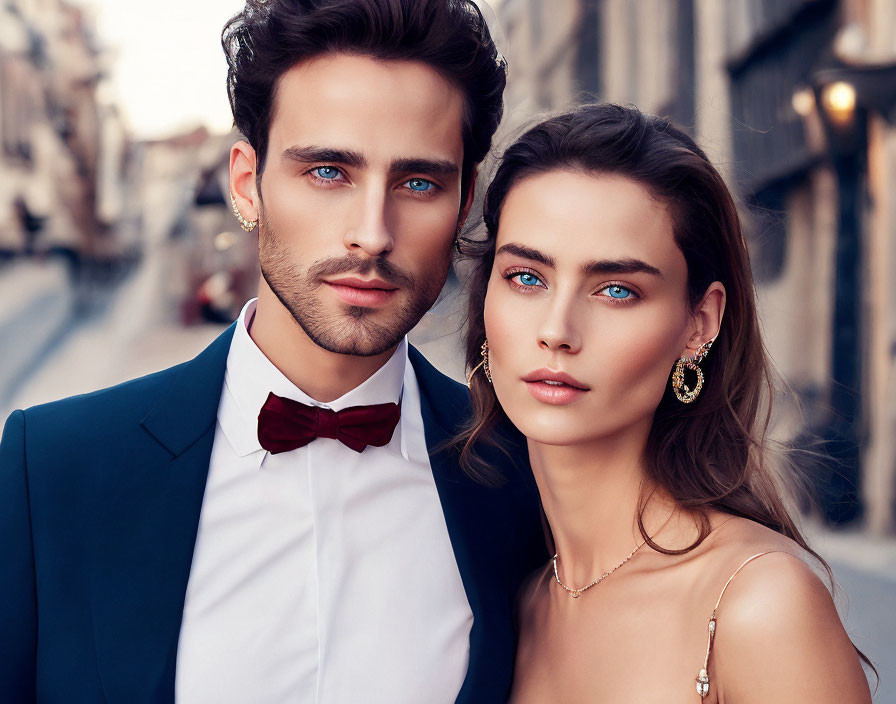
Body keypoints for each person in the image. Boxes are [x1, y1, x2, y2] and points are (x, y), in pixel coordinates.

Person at [0, 1, 547, 701]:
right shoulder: (52, 468)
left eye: (418, 183)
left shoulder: (522, 477)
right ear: (246, 183)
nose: (371, 234)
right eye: (328, 172)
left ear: (465, 200)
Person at [460, 103, 875, 703]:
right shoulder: (514, 606)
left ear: (697, 323)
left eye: (616, 290)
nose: (557, 329)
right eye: (527, 277)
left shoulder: (758, 605)